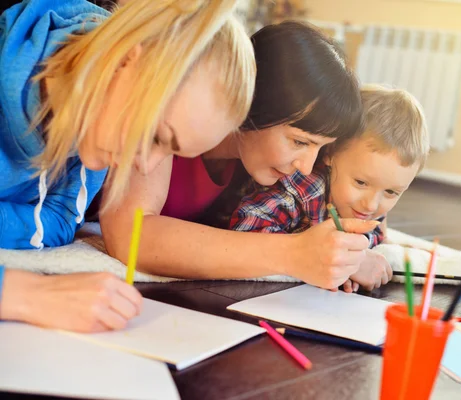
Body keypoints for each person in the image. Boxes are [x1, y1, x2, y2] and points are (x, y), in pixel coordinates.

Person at [0, 0, 255, 332]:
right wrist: (26, 293)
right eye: (155, 136)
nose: (146, 166)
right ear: (124, 58)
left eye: (169, 153)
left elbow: (60, 221)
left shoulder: (92, 119)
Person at [100, 21, 379, 290]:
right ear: (257, 100)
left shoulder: (262, 165)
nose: (305, 167)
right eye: (299, 141)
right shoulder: (175, 121)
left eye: (319, 148)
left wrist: (348, 257)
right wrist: (294, 253)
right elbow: (129, 236)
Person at [230, 86, 430, 292]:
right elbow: (245, 231)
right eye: (360, 183)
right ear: (330, 154)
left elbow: (378, 232)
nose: (371, 204)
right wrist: (346, 261)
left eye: (391, 192)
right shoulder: (299, 191)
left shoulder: (369, 205)